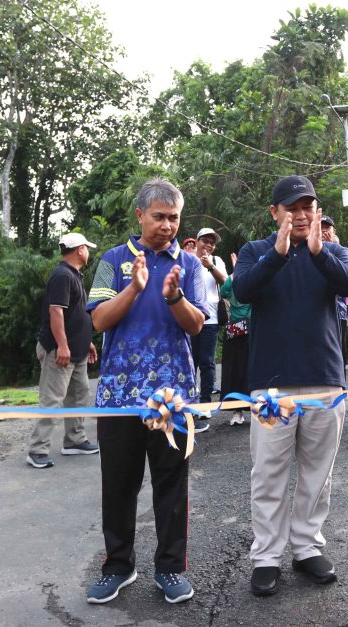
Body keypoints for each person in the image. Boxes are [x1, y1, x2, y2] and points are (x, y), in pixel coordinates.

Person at [84, 178, 209, 605]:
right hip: (119, 398)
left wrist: (174, 297)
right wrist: (134, 288)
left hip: (173, 399)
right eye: (159, 217)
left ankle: (171, 568)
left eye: (174, 218)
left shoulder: (189, 265)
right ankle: (118, 566)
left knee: (171, 488)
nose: (168, 226)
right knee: (118, 486)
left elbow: (196, 326)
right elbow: (99, 321)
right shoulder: (113, 260)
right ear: (140, 215)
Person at [234, 175, 348, 597]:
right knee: (267, 473)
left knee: (317, 473)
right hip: (271, 385)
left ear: (318, 211)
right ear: (275, 213)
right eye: (292, 207)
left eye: (308, 206)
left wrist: (319, 252)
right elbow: (244, 290)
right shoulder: (256, 251)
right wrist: (279, 253)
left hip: (325, 377)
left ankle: (307, 547)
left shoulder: (333, 251)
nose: (301, 214)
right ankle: (267, 555)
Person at [26, 233, 100, 469]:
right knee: (52, 400)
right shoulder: (62, 275)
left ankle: (75, 440)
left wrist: (85, 341)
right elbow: (55, 312)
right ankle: (37, 450)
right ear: (79, 250)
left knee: (79, 396)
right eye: (86, 248)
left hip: (76, 350)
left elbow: (74, 315)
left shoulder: (74, 275)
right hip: (59, 351)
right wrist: (63, 345)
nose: (88, 251)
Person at [191, 228, 227, 420]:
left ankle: (205, 404)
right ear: (197, 241)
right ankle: (188, 402)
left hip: (210, 319)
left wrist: (210, 267)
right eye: (205, 241)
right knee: (189, 363)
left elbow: (225, 283)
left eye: (212, 243)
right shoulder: (187, 259)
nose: (209, 245)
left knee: (206, 363)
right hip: (189, 318)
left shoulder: (217, 261)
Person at [219, 251, 251, 426]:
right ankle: (237, 411)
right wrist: (234, 273)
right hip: (236, 331)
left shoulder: (254, 276)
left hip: (254, 330)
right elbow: (224, 291)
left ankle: (257, 409)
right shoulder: (233, 279)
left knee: (252, 370)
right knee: (235, 370)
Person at [321, 215, 348, 369]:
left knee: (339, 355)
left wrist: (331, 247)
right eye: (320, 227)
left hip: (340, 312)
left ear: (334, 231)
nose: (323, 231)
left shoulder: (342, 251)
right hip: (318, 313)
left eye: (327, 228)